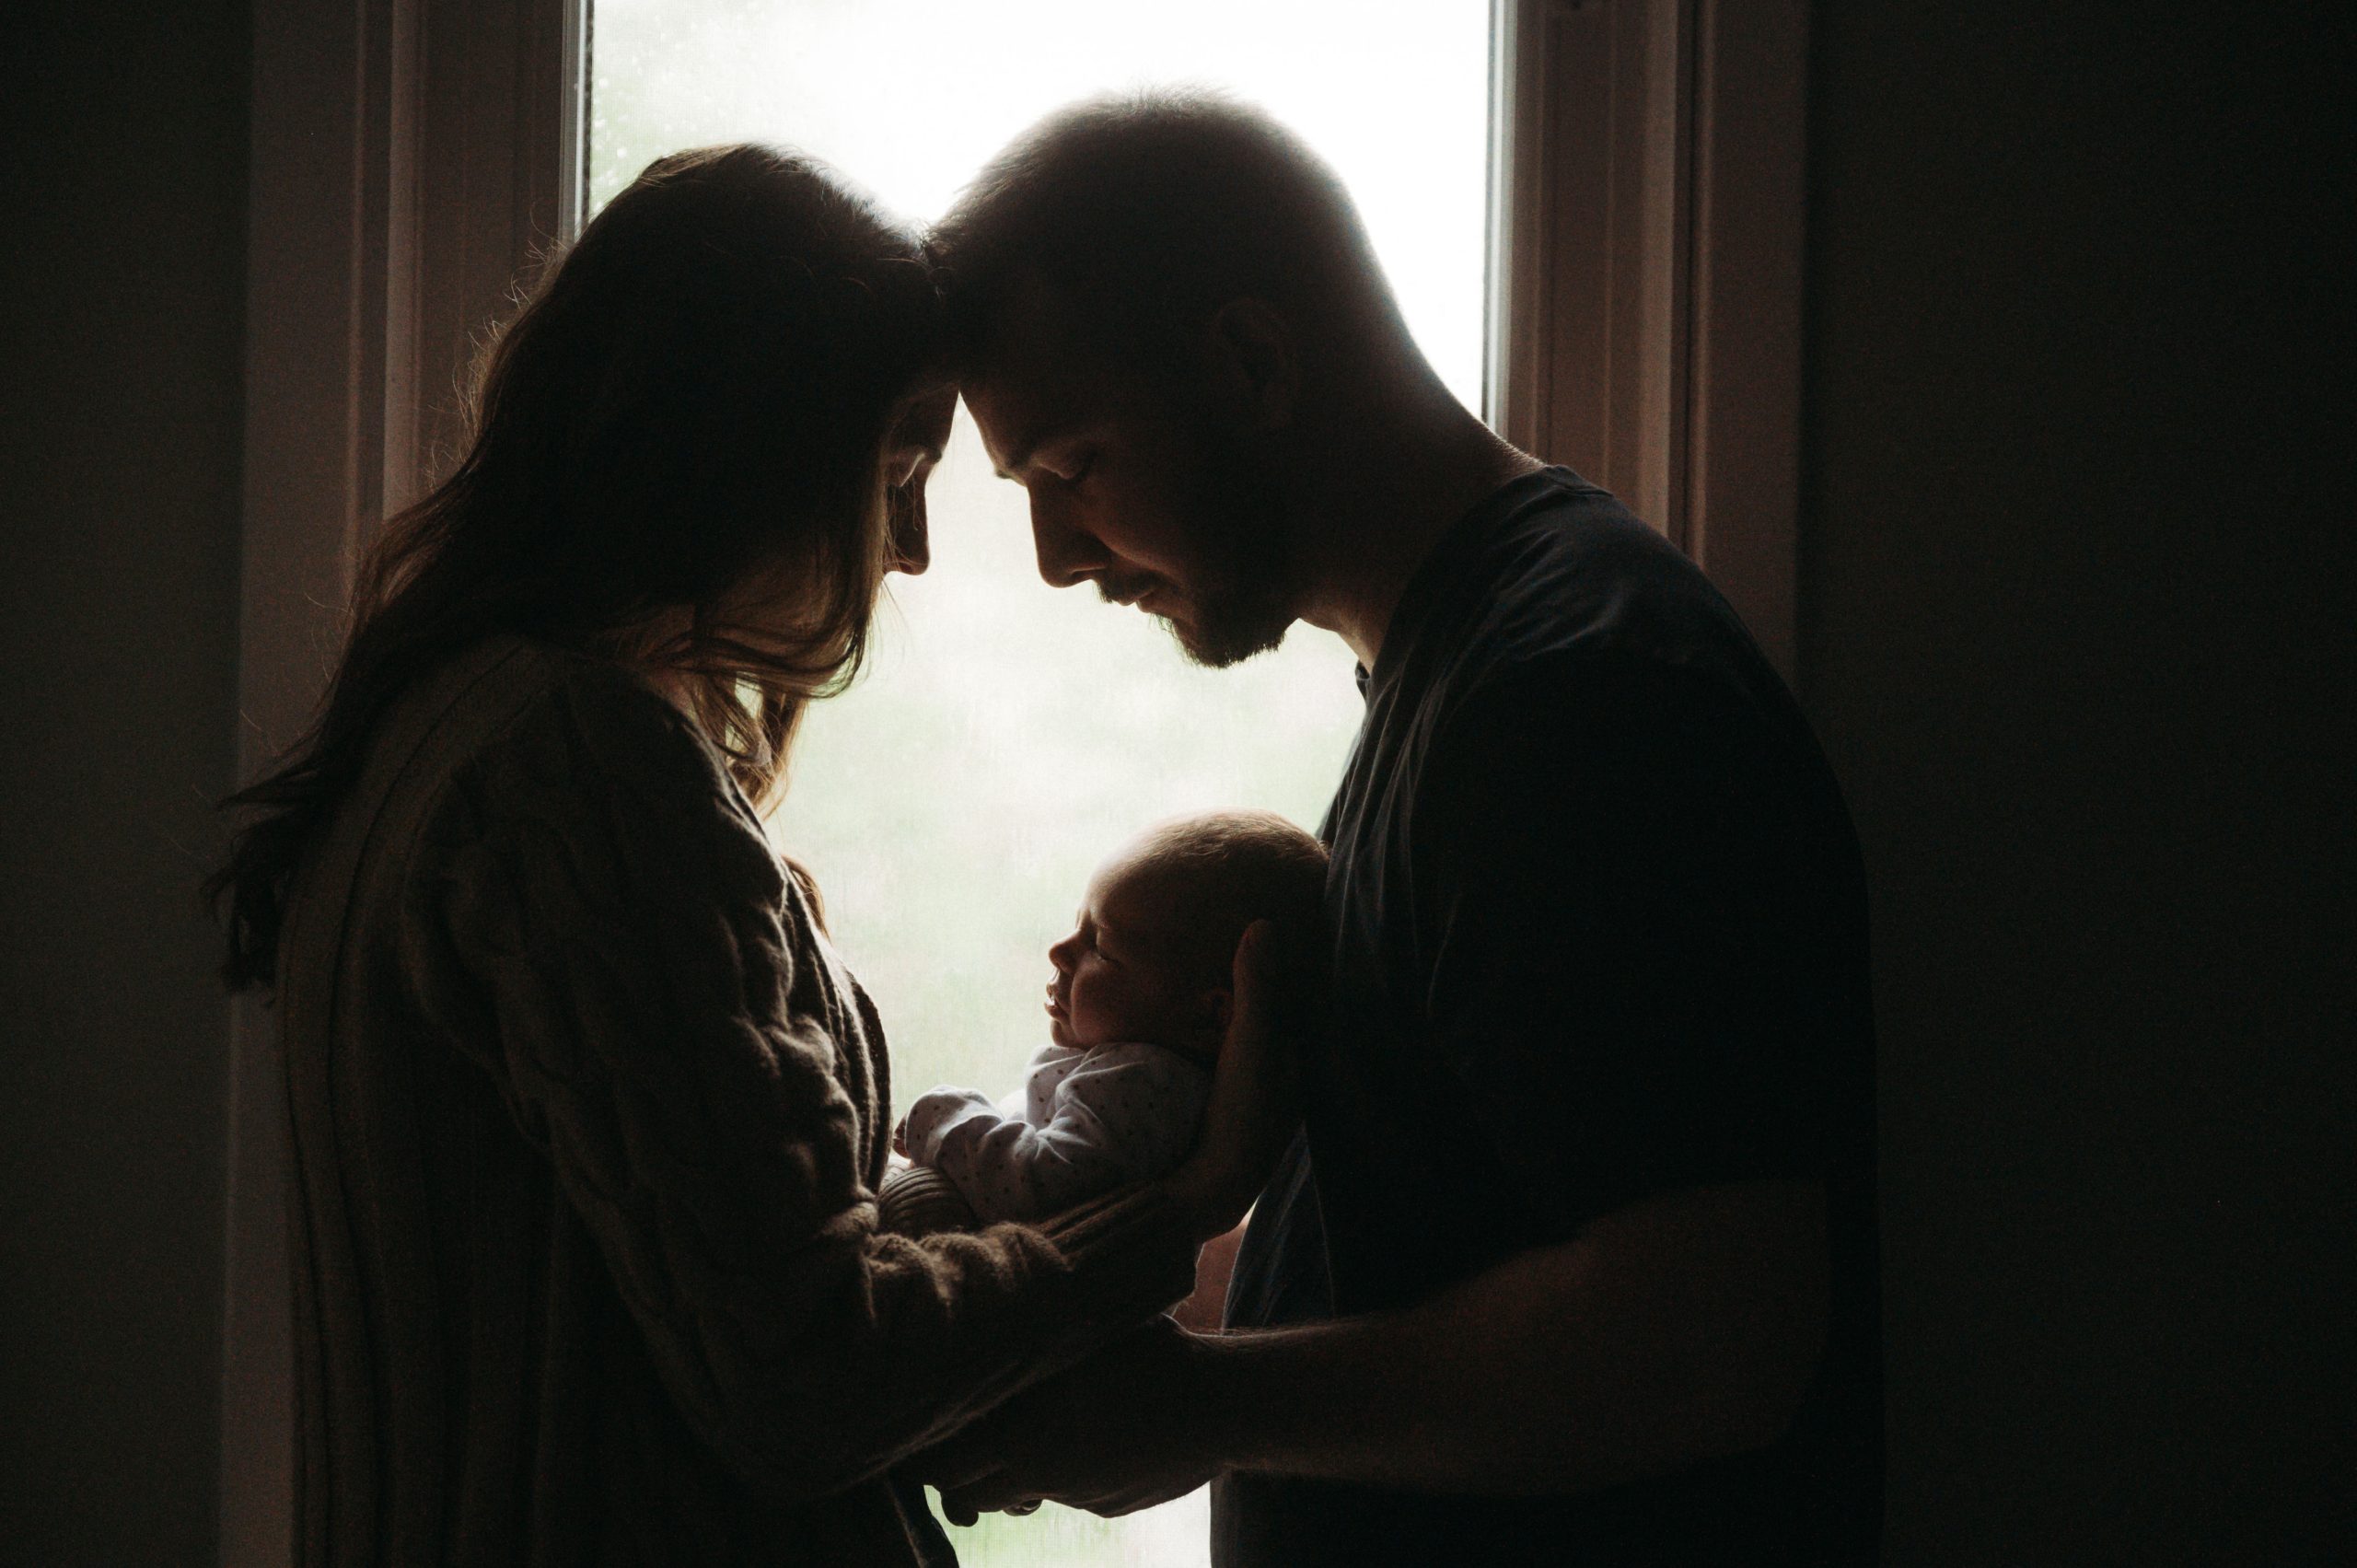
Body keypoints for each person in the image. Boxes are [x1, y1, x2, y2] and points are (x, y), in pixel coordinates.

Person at [207, 144, 1289, 1566]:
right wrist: (1189, 1199)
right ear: (743, 451)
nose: (905, 549)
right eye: (894, 468)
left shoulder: (462, 728)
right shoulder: (573, 768)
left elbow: (695, 1323)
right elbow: (804, 1378)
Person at [918, 93, 1884, 1565]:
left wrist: (1201, 1406)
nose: (1056, 559)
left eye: (1074, 468)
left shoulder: (1575, 690)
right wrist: (1087, 1324)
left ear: (1250, 359)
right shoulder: (1462, 677)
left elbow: (1709, 1332)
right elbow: (1430, 1232)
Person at [888, 810, 1329, 1229]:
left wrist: (945, 1115)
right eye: (1077, 924)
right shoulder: (1127, 1073)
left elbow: (1036, 1191)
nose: (1058, 952)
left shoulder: (1144, 1083)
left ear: (1209, 1014)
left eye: (1100, 947)